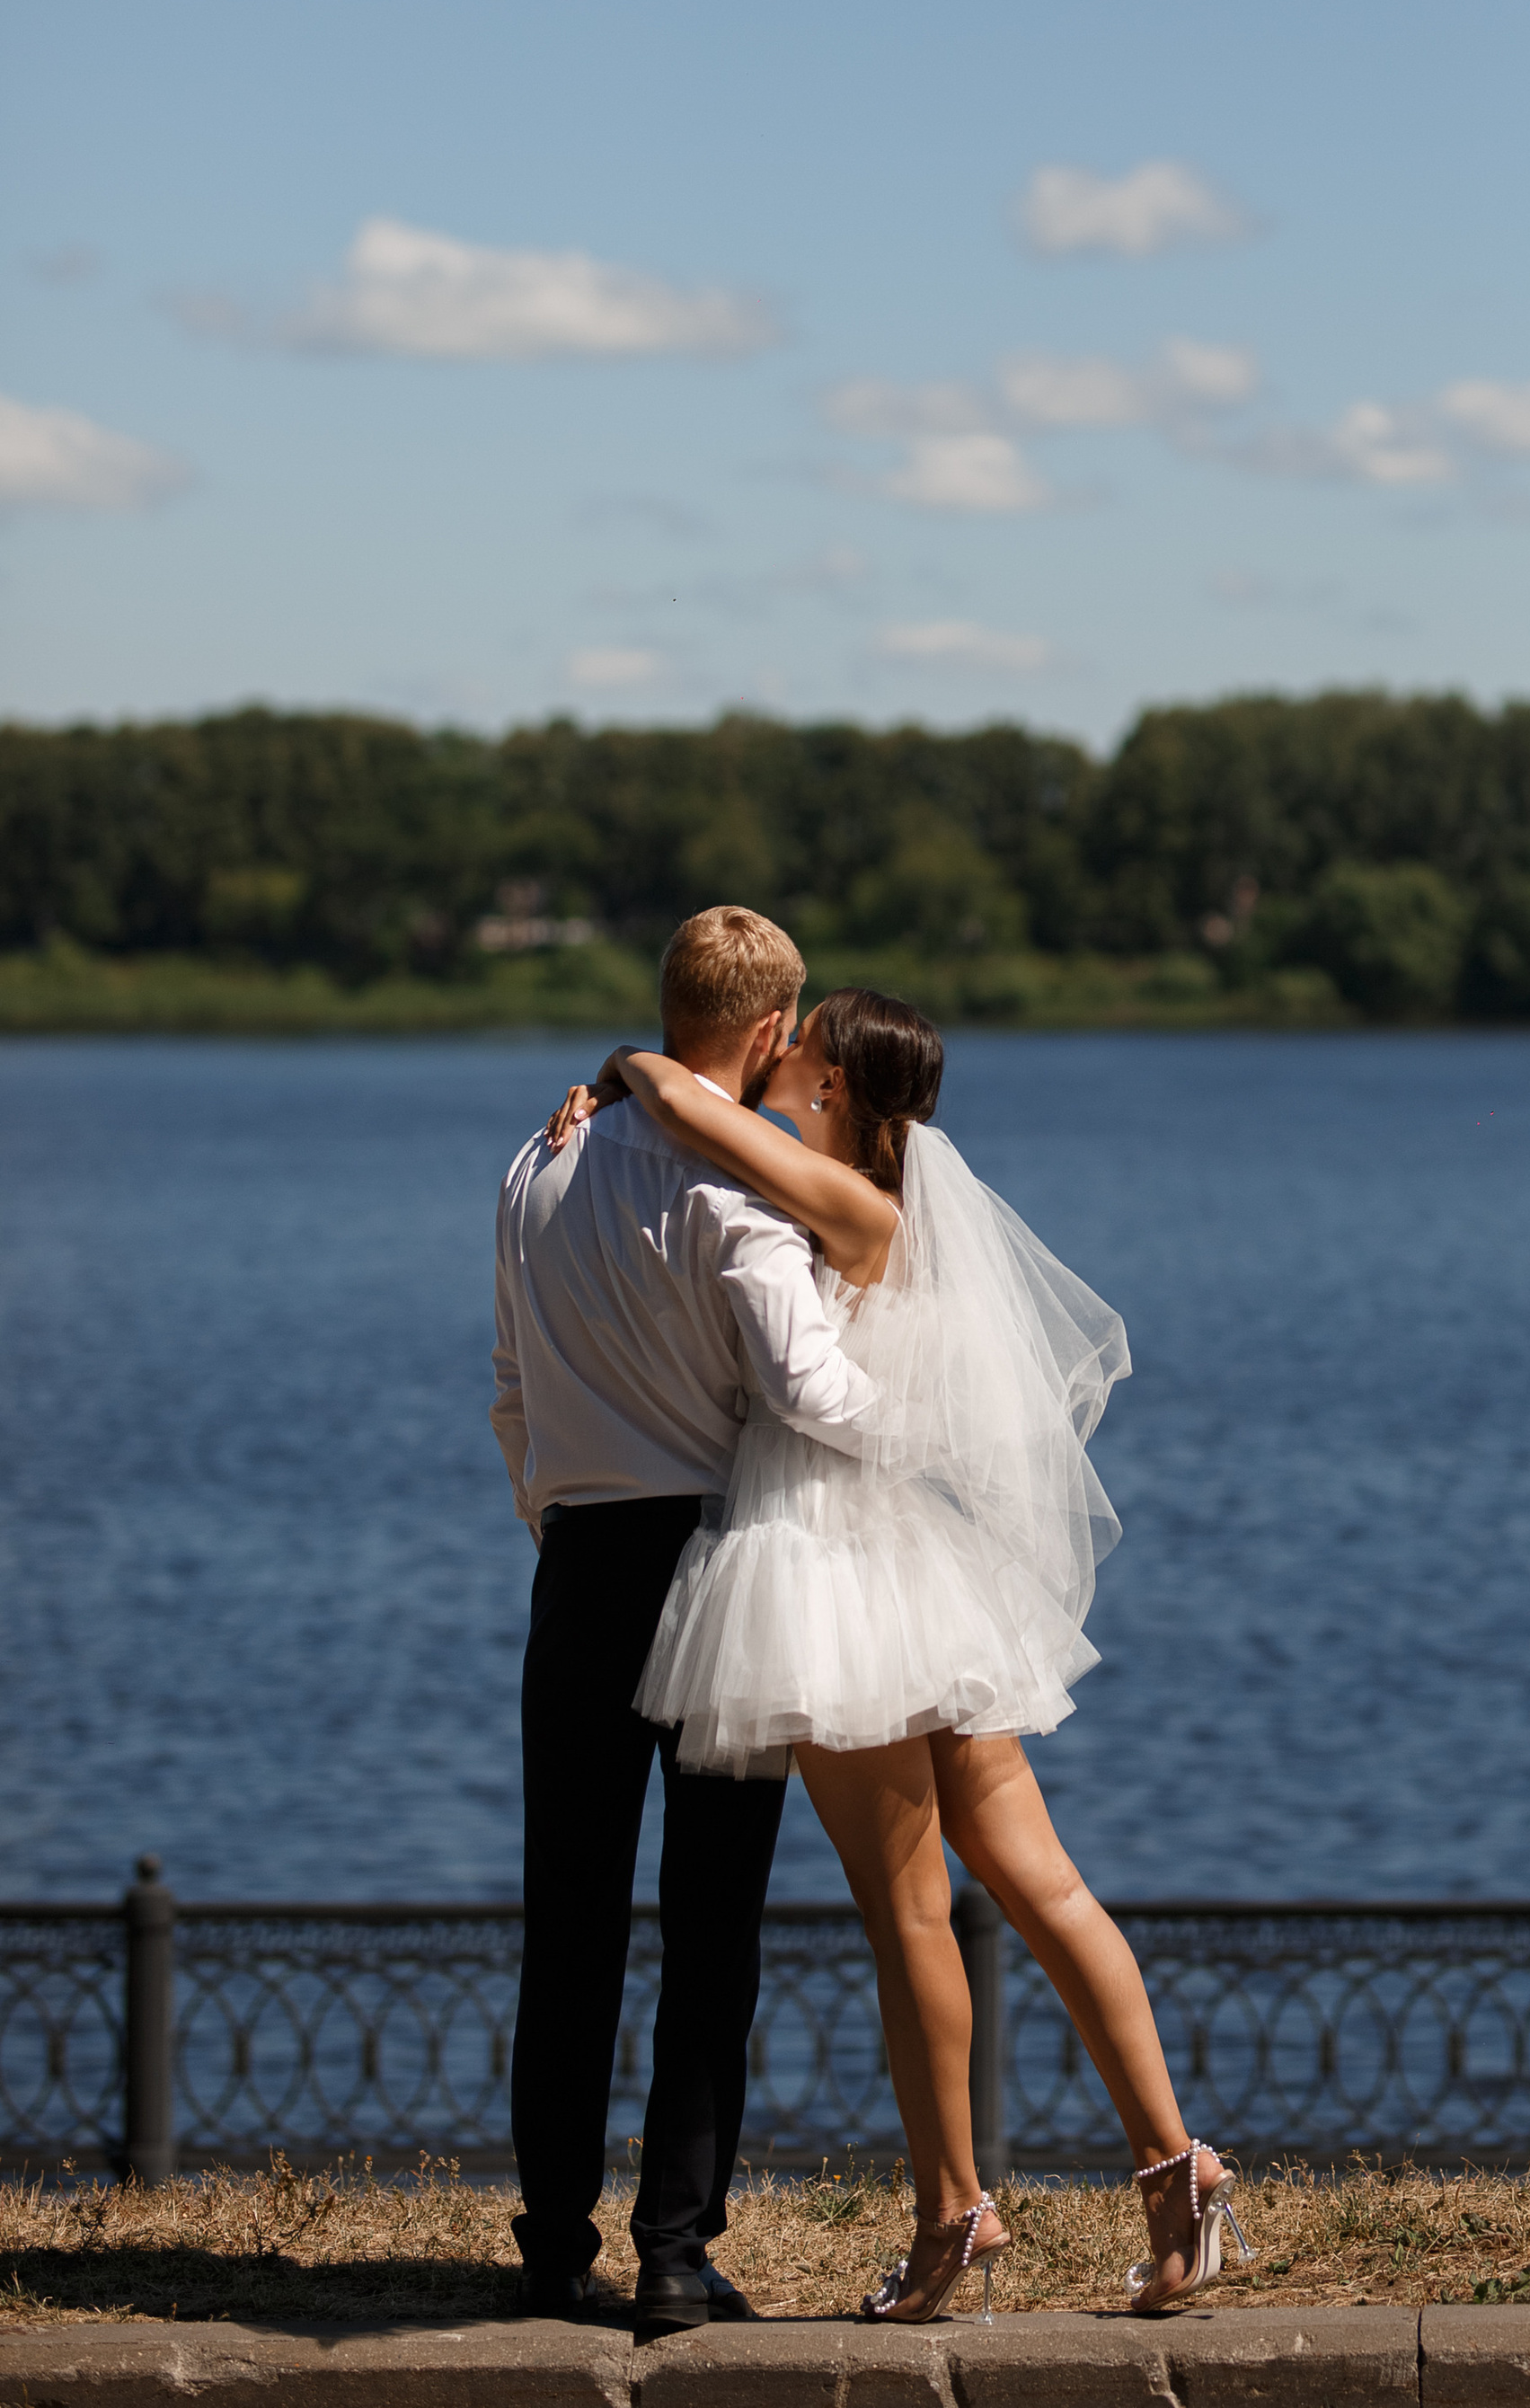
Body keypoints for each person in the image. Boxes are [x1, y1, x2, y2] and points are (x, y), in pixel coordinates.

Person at [545, 983, 1251, 2321]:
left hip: (824, 1570)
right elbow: (709, 1124)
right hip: (920, 1577)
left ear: (831, 1088)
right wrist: (627, 1085)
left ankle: (952, 2218)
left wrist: (627, 1065)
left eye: (799, 1047)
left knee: (908, 1913)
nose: (775, 1056)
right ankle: (1177, 2176)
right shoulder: (881, 1191)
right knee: (1042, 1887)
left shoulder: (842, 1196)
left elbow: (702, 1115)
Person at [491, 904, 886, 2337]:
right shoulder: (738, 1197)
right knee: (712, 1923)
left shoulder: (538, 1161)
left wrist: (556, 1516)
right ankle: (673, 2248)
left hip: (579, 1564)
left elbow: (511, 1384)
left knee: (570, 1914)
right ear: (776, 1033)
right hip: (718, 1566)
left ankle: (550, 2242)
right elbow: (814, 1397)